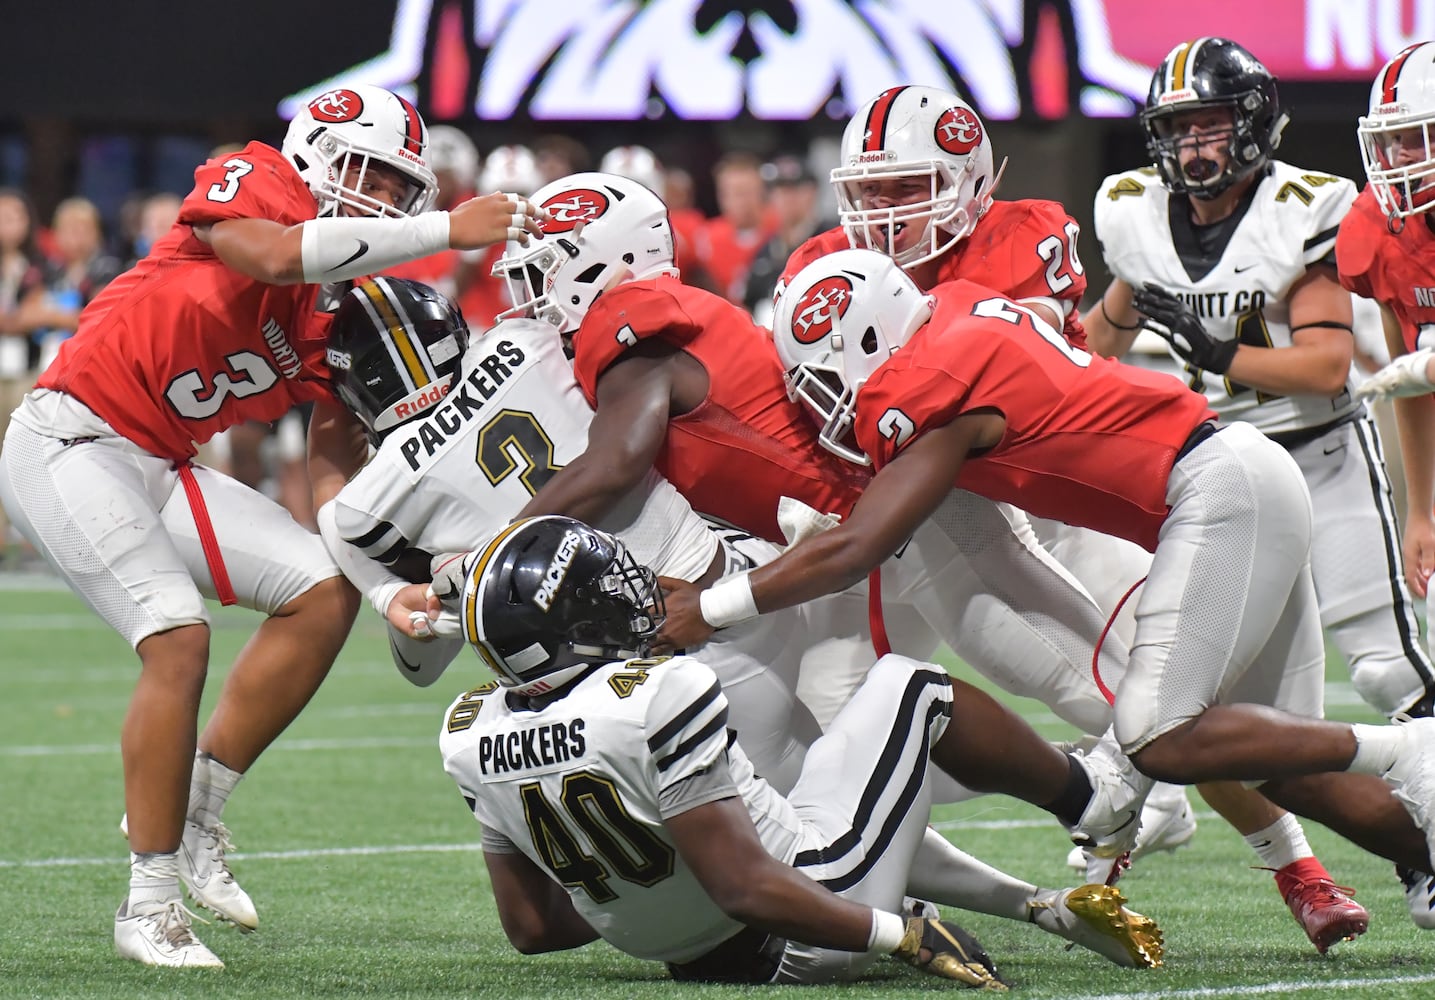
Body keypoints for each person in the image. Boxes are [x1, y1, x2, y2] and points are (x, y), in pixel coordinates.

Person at [320, 274, 1159, 967]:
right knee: (856, 746)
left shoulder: (371, 534)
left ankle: (1056, 853)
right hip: (700, 594)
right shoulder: (528, 342)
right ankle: (1082, 811)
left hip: (604, 671)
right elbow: (620, 454)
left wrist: (457, 573)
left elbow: (419, 655)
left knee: (807, 789)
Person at [660, 246, 1435, 909]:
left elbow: (861, 545)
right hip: (1236, 476)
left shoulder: (926, 387)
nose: (823, 406)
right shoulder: (955, 314)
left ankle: (1412, 750)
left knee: (1157, 735)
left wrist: (716, 604)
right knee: (1281, 767)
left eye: (822, 382)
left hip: (1217, 490)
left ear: (870, 341)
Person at [801, 79, 1370, 952]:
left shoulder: (1017, 236)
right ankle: (892, 898)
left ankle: (1295, 865)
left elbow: (978, 383)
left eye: (905, 191)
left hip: (1043, 499)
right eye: (868, 193)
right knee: (833, 719)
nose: (883, 216)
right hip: (908, 519)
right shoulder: (821, 269)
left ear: (969, 182)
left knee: (1149, 690)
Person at [0, 83, 543, 967]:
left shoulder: (337, 313)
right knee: (176, 637)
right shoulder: (254, 179)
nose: (384, 200)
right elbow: (275, 255)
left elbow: (335, 472)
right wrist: (443, 231)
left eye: (403, 190)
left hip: (159, 464)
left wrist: (383, 582)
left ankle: (201, 808)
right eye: (370, 172)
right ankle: (148, 904)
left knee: (320, 593)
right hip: (69, 438)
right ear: (320, 154)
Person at [440, 514, 1162, 983]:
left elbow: (532, 928)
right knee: (911, 688)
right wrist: (899, 935)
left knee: (809, 801)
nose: (627, 598)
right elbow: (745, 886)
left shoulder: (469, 728)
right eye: (603, 594)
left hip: (707, 957)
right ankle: (1089, 796)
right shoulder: (657, 694)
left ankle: (1043, 905)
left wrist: (652, 909)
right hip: (807, 919)